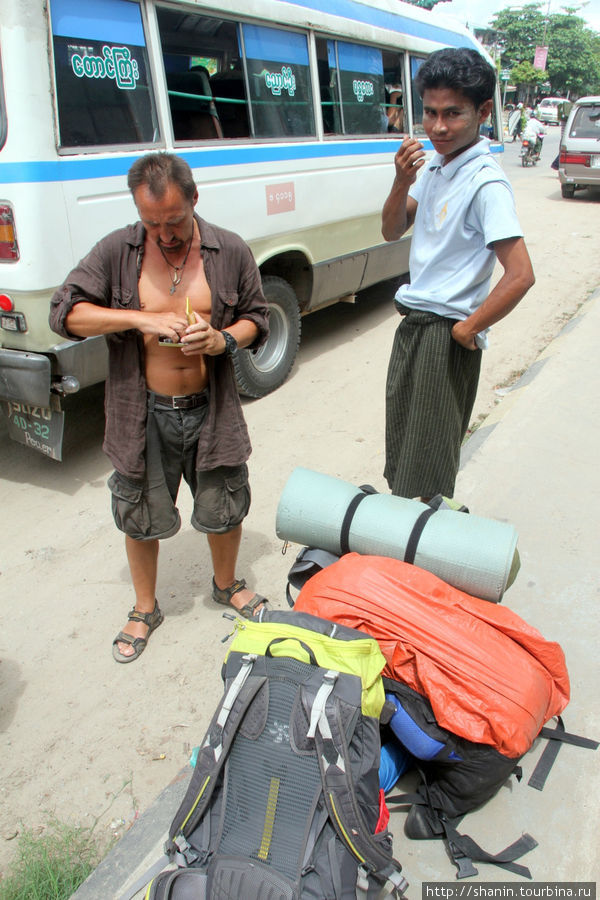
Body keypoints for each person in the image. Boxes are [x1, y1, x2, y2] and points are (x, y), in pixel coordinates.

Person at [50, 152, 270, 663]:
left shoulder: (229, 250)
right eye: (152, 223)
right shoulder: (116, 251)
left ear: (194, 199)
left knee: (224, 499)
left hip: (211, 408)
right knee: (138, 510)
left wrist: (222, 341)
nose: (164, 234)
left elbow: (258, 318)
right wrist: (136, 319)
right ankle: (144, 608)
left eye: (173, 222)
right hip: (141, 409)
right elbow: (65, 313)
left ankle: (227, 584)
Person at [381, 48, 535, 502]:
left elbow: (521, 274)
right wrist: (400, 180)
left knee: (426, 470)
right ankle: (405, 552)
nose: (438, 127)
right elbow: (391, 230)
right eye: (429, 113)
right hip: (414, 328)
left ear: (483, 111)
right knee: (402, 456)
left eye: (453, 114)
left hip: (445, 334)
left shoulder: (485, 182)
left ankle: (418, 562)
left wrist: (469, 327)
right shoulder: (434, 166)